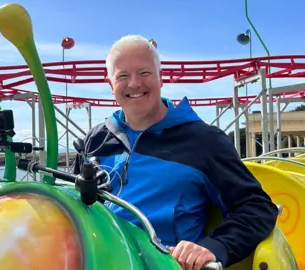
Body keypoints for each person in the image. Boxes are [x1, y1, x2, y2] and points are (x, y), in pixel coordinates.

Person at [73, 35, 278, 269]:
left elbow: (256, 207)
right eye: (122, 76)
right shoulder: (95, 139)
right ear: (111, 84)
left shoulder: (204, 141)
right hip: (96, 259)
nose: (134, 84)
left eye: (144, 73)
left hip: (161, 262)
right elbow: (71, 202)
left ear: (161, 77)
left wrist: (214, 247)